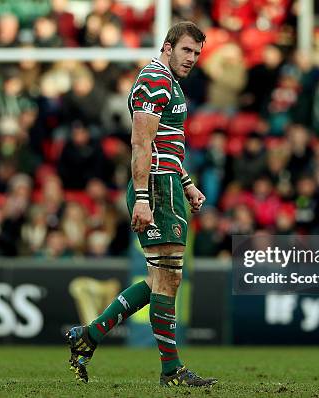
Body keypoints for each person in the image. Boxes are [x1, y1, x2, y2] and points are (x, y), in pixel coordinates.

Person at [66, 21, 217, 387]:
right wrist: (144, 197)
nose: (192, 59)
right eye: (186, 50)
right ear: (168, 47)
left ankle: (90, 335)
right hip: (156, 189)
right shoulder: (154, 79)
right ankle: (172, 371)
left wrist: (187, 183)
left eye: (196, 53)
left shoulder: (170, 82)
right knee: (168, 277)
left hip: (168, 184)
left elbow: (165, 146)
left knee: (159, 278)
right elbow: (141, 144)